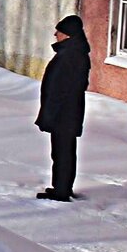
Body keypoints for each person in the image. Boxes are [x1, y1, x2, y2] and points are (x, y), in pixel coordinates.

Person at [35, 14, 91, 202]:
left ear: (68, 34)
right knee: (62, 151)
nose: (55, 34)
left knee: (62, 151)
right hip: (67, 112)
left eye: (59, 31)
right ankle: (61, 186)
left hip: (64, 113)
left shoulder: (70, 56)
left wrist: (50, 115)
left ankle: (62, 190)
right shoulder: (72, 53)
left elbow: (61, 90)